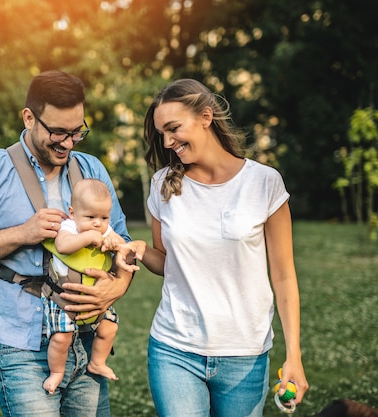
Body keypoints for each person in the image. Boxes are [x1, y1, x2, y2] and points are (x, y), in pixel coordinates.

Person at [0, 70, 134, 417]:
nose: (69, 143)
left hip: (87, 336)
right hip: (19, 343)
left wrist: (115, 289)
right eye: (58, 132)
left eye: (77, 131)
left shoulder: (92, 170)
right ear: (29, 117)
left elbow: (124, 244)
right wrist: (22, 233)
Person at [116, 78, 309, 416]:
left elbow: (283, 275)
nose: (167, 141)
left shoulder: (264, 183)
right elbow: (166, 262)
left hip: (245, 354)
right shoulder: (163, 185)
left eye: (173, 128)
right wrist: (141, 250)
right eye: (161, 133)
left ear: (205, 117)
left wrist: (294, 354)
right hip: (175, 348)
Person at [43, 178, 123, 394]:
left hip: (94, 300)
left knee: (110, 327)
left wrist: (115, 243)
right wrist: (87, 236)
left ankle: (97, 361)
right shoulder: (68, 227)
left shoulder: (104, 230)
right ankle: (57, 372)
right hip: (64, 300)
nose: (98, 223)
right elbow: (63, 245)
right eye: (90, 217)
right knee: (61, 338)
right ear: (72, 212)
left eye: (104, 217)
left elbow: (121, 245)